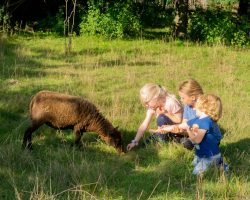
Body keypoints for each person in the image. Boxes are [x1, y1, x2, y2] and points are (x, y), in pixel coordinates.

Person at [177, 94, 228, 175]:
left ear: (204, 109)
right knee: (193, 166)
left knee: (195, 174)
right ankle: (218, 162)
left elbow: (197, 140)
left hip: (209, 156)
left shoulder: (206, 122)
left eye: (196, 107)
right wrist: (167, 128)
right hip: (200, 154)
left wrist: (188, 131)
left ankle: (219, 163)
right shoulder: (198, 119)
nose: (194, 108)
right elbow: (184, 124)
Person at [127, 83, 183, 151]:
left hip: (178, 131)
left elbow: (179, 120)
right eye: (145, 103)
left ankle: (163, 143)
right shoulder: (152, 107)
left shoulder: (171, 102)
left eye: (147, 102)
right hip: (163, 131)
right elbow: (144, 125)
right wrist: (135, 141)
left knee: (161, 118)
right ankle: (162, 139)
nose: (146, 105)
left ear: (155, 98)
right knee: (144, 145)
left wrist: (165, 113)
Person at [177, 79, 222, 150]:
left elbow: (198, 132)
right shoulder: (187, 106)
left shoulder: (204, 109)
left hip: (208, 138)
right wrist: (178, 129)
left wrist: (186, 130)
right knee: (176, 135)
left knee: (186, 142)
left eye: (183, 98)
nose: (181, 100)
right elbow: (185, 123)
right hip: (195, 133)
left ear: (193, 97)